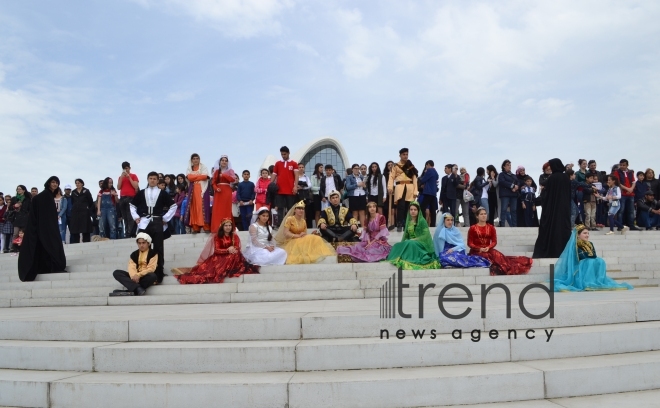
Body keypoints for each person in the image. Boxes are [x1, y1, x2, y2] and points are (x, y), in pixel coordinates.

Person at [177, 219, 259, 283]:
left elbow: (237, 247)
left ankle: (230, 269)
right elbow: (217, 250)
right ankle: (226, 270)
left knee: (236, 254)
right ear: (222, 227)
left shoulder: (234, 236)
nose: (228, 227)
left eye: (230, 225)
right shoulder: (217, 236)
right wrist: (228, 250)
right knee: (231, 256)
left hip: (232, 255)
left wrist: (233, 249)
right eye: (226, 225)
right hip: (220, 256)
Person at [553, 225, 633, 292]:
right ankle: (588, 282)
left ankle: (598, 281)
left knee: (600, 261)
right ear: (578, 235)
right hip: (578, 268)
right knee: (589, 262)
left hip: (587, 263)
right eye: (584, 233)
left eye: (588, 233)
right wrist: (589, 256)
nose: (587, 235)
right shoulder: (574, 245)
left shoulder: (590, 244)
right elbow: (582, 256)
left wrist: (589, 256)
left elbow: (593, 255)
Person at [18, 176, 67, 282]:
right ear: (48, 183)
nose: (55, 184)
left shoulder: (48, 196)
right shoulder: (44, 196)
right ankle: (53, 265)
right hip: (46, 227)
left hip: (47, 227)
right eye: (53, 182)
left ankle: (49, 266)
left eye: (57, 183)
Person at [130, 172, 177, 283]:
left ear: (157, 180)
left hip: (157, 221)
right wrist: (136, 217)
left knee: (158, 247)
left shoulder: (163, 193)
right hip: (144, 222)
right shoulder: (142, 193)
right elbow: (132, 205)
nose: (152, 180)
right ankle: (142, 268)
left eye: (154, 179)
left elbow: (173, 205)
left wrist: (165, 218)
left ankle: (159, 271)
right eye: (150, 178)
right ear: (147, 179)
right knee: (143, 245)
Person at [468, 207, 533, 276]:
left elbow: (494, 241)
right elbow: (470, 243)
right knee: (488, 256)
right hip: (476, 251)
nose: (484, 216)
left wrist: (489, 247)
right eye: (481, 214)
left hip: (488, 249)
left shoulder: (491, 227)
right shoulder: (472, 228)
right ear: (477, 216)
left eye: (485, 214)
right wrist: (479, 248)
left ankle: (509, 267)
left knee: (498, 255)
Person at [533, 158, 572, 258]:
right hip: (564, 209)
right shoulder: (565, 177)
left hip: (552, 210)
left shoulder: (552, 178)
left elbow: (547, 195)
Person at [386, 201, 439, 270]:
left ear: (418, 211)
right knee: (397, 245)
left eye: (415, 210)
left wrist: (415, 239)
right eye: (411, 209)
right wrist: (402, 243)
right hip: (411, 242)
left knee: (410, 242)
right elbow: (406, 235)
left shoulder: (422, 221)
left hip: (421, 243)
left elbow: (426, 235)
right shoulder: (408, 222)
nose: (413, 211)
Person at [388, 148, 419, 232]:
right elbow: (391, 177)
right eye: (403, 154)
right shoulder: (395, 165)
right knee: (400, 206)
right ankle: (399, 223)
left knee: (408, 207)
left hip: (410, 187)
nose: (405, 156)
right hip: (400, 187)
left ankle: (407, 223)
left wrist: (416, 191)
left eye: (406, 154)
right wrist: (390, 187)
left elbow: (414, 178)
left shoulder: (410, 165)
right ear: (400, 155)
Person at [271, 146, 300, 228]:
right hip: (279, 190)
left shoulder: (294, 163)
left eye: (285, 154)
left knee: (290, 209)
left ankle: (291, 225)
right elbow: (274, 174)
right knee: (280, 208)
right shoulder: (277, 163)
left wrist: (295, 186)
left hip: (290, 190)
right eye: (282, 154)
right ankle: (280, 225)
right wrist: (270, 184)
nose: (283, 156)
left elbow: (296, 175)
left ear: (288, 153)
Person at [185, 153, 212, 233]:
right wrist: (200, 176)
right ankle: (195, 226)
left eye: (197, 158)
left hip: (202, 190)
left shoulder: (203, 167)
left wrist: (194, 177)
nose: (195, 160)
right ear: (191, 160)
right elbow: (189, 177)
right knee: (194, 207)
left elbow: (205, 177)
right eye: (194, 159)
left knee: (203, 207)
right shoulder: (189, 168)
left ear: (199, 159)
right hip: (193, 190)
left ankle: (205, 225)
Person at [612, 159, 640, 230]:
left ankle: (631, 225)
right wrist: (627, 189)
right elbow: (618, 183)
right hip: (622, 193)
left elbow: (634, 182)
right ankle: (620, 225)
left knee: (631, 211)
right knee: (621, 210)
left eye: (624, 165)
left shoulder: (630, 172)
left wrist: (631, 189)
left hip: (630, 194)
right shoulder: (617, 172)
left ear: (627, 165)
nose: (622, 166)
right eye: (621, 165)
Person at [211, 155, 235, 234]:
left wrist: (224, 175)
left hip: (227, 190)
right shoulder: (216, 171)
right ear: (220, 162)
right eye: (223, 160)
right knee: (218, 209)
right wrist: (216, 188)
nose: (224, 162)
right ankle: (217, 226)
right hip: (218, 191)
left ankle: (227, 227)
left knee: (226, 208)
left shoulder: (230, 171)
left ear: (227, 162)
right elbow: (213, 182)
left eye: (226, 160)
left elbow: (233, 179)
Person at [117, 162, 139, 238]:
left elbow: (135, 186)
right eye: (124, 168)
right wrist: (121, 177)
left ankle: (131, 233)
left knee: (130, 216)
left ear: (129, 168)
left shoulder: (133, 176)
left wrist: (129, 177)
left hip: (131, 197)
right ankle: (127, 233)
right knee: (125, 217)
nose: (126, 170)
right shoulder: (121, 177)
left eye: (127, 168)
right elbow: (118, 187)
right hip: (123, 198)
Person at [69, 179, 94, 244]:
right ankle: (76, 242)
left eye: (79, 183)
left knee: (85, 228)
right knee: (75, 228)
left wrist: (87, 208)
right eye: (76, 183)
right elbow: (72, 201)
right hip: (76, 212)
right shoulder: (73, 192)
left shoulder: (86, 191)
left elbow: (90, 201)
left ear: (82, 183)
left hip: (84, 212)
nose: (77, 184)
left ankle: (86, 242)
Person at [497, 160, 519, 227]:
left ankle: (514, 225)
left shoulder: (513, 175)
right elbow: (502, 182)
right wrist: (512, 186)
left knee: (514, 210)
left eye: (510, 165)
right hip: (505, 194)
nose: (509, 166)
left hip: (513, 194)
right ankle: (502, 224)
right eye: (507, 165)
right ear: (504, 166)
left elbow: (518, 182)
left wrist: (516, 187)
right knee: (503, 209)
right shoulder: (501, 174)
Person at [418, 160, 439, 227]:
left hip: (428, 192)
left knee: (422, 207)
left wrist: (424, 175)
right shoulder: (435, 172)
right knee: (433, 209)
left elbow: (423, 179)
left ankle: (423, 222)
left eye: (426, 166)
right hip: (433, 193)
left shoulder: (429, 170)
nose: (426, 167)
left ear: (428, 164)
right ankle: (433, 224)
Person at [345, 163, 367, 228]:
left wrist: (365, 186)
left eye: (358, 168)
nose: (357, 170)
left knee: (362, 212)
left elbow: (366, 187)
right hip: (353, 196)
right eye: (355, 168)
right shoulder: (349, 177)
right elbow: (348, 187)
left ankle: (363, 228)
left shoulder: (362, 177)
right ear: (352, 169)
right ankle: (355, 227)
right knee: (355, 213)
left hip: (362, 195)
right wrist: (357, 185)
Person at [383, 160, 395, 226]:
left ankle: (393, 224)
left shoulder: (396, 174)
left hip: (394, 195)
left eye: (391, 165)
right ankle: (386, 225)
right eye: (388, 165)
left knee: (393, 211)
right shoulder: (384, 176)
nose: (390, 166)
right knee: (386, 210)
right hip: (387, 195)